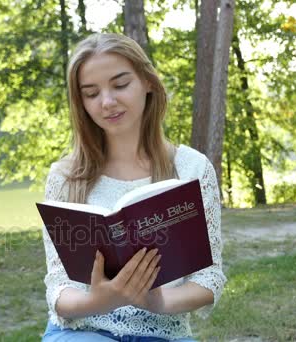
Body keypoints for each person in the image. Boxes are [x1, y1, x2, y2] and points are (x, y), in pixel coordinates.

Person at [40, 33, 226, 341]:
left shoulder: (192, 168)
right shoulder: (65, 177)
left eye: (120, 84)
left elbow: (210, 278)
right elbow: (58, 286)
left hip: (163, 332)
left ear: (148, 82)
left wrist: (158, 302)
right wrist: (98, 301)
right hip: (84, 330)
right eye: (91, 93)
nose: (107, 102)